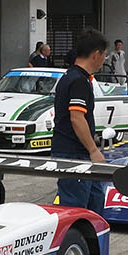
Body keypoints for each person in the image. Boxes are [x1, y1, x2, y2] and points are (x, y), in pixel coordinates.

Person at [52, 29, 109, 215]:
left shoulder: (72, 77)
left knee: (95, 200)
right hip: (73, 154)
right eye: (104, 55)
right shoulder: (78, 81)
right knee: (75, 210)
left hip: (76, 152)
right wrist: (93, 150)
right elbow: (77, 117)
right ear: (96, 54)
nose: (104, 60)